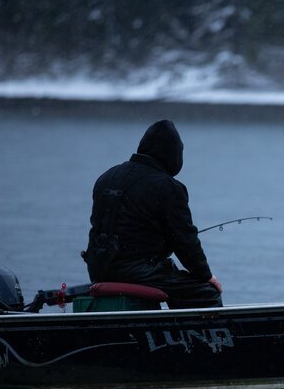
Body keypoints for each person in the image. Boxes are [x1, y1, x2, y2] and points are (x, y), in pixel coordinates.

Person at [82, 119, 223, 309]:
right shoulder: (168, 187)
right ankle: (186, 328)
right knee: (205, 293)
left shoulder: (107, 177)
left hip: (98, 269)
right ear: (173, 155)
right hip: (138, 271)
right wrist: (206, 275)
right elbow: (185, 241)